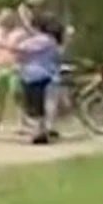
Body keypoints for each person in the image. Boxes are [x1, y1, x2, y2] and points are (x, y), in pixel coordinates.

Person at [14, 16, 64, 145]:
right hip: (45, 75)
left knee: (37, 106)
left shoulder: (43, 40)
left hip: (38, 76)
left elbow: (20, 49)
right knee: (44, 105)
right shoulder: (51, 41)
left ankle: (41, 132)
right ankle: (44, 130)